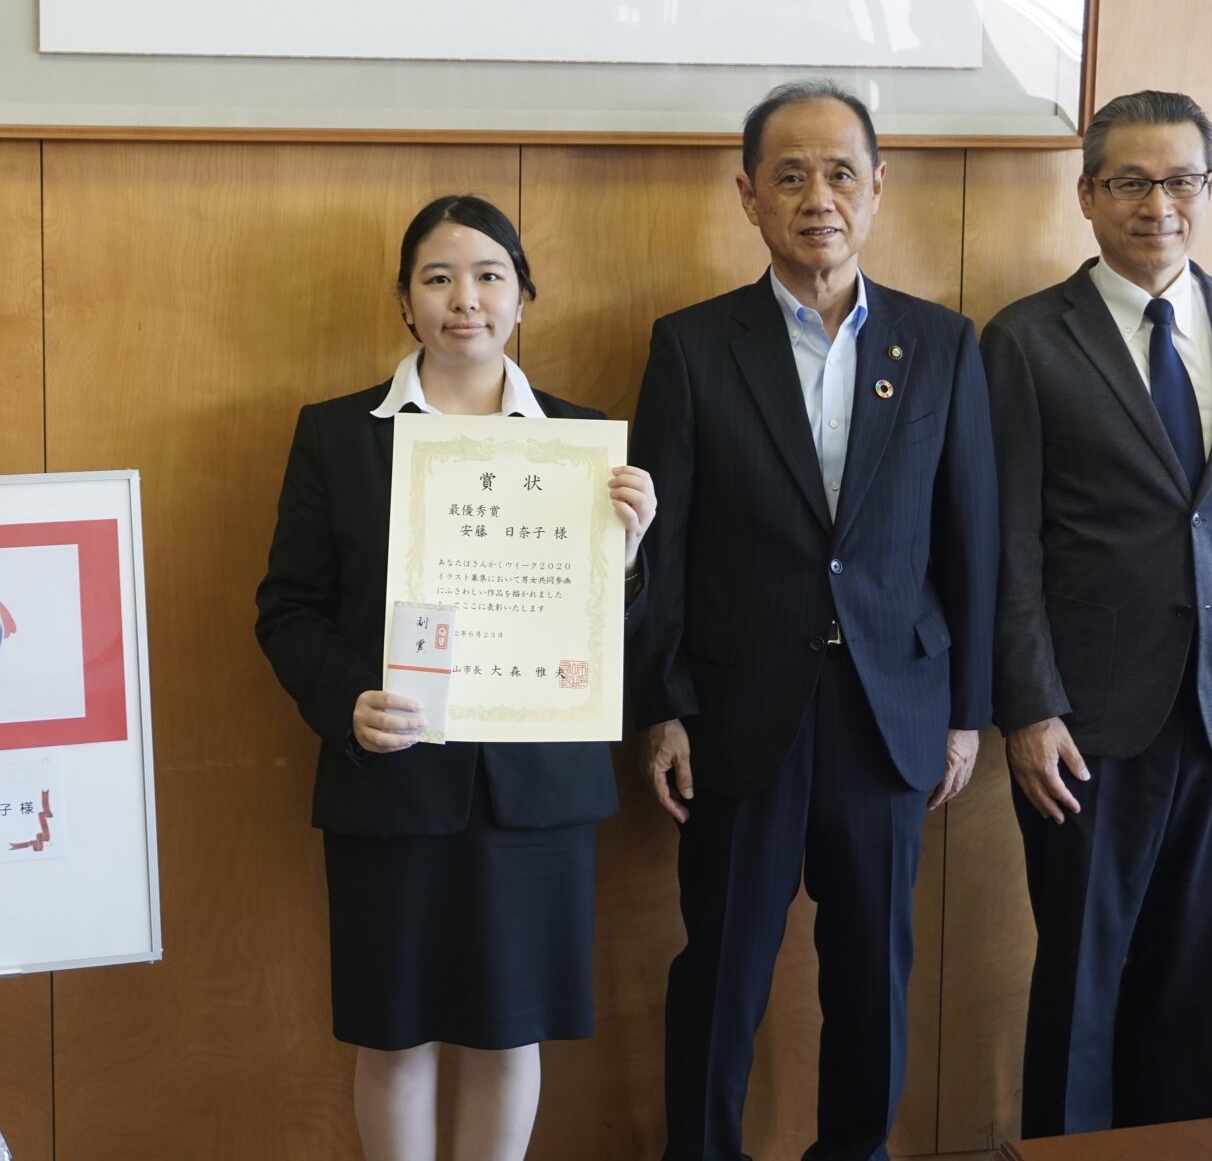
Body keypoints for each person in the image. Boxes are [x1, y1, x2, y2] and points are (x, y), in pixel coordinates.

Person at [630, 80, 997, 1161]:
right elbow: (659, 547)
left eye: (839, 173)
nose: (816, 198)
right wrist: (661, 706)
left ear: (878, 187)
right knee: (721, 970)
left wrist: (966, 712)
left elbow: (970, 541)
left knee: (873, 976)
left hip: (890, 714)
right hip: (738, 713)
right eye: (788, 176)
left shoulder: (941, 344)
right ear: (747, 195)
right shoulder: (692, 345)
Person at [255, 194, 656, 1161]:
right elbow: (288, 608)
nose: (464, 299)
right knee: (394, 1034)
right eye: (438, 278)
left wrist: (631, 557)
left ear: (523, 296)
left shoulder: (582, 444)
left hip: (535, 793)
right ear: (405, 300)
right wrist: (347, 702)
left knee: (508, 1033)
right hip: (392, 783)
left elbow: (618, 638)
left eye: (488, 276)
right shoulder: (338, 434)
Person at [981, 89, 1212, 1137]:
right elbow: (1006, 543)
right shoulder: (1025, 339)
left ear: (1207, 189)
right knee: (1081, 981)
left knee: (1191, 982)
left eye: (1180, 180)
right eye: (1130, 181)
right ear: (1087, 193)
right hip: (1083, 724)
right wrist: (1027, 705)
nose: (1157, 204)